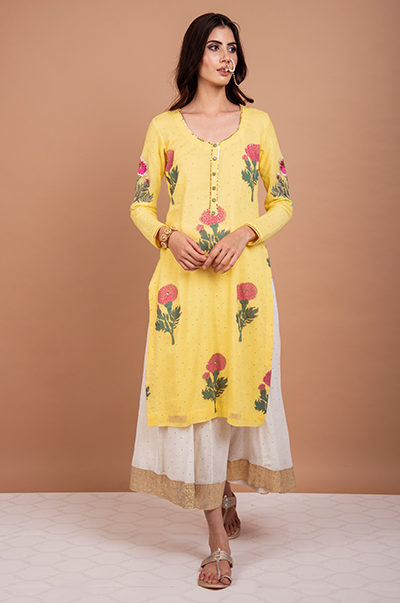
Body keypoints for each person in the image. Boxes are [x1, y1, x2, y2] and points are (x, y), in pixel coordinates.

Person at [129, 12, 295, 589]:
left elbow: (283, 201)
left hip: (244, 282)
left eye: (233, 48)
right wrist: (167, 236)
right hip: (183, 285)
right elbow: (141, 203)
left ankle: (224, 486)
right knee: (193, 397)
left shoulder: (259, 124)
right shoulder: (164, 128)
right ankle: (217, 542)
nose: (226, 57)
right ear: (194, 55)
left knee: (233, 388)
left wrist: (245, 232)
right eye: (214, 47)